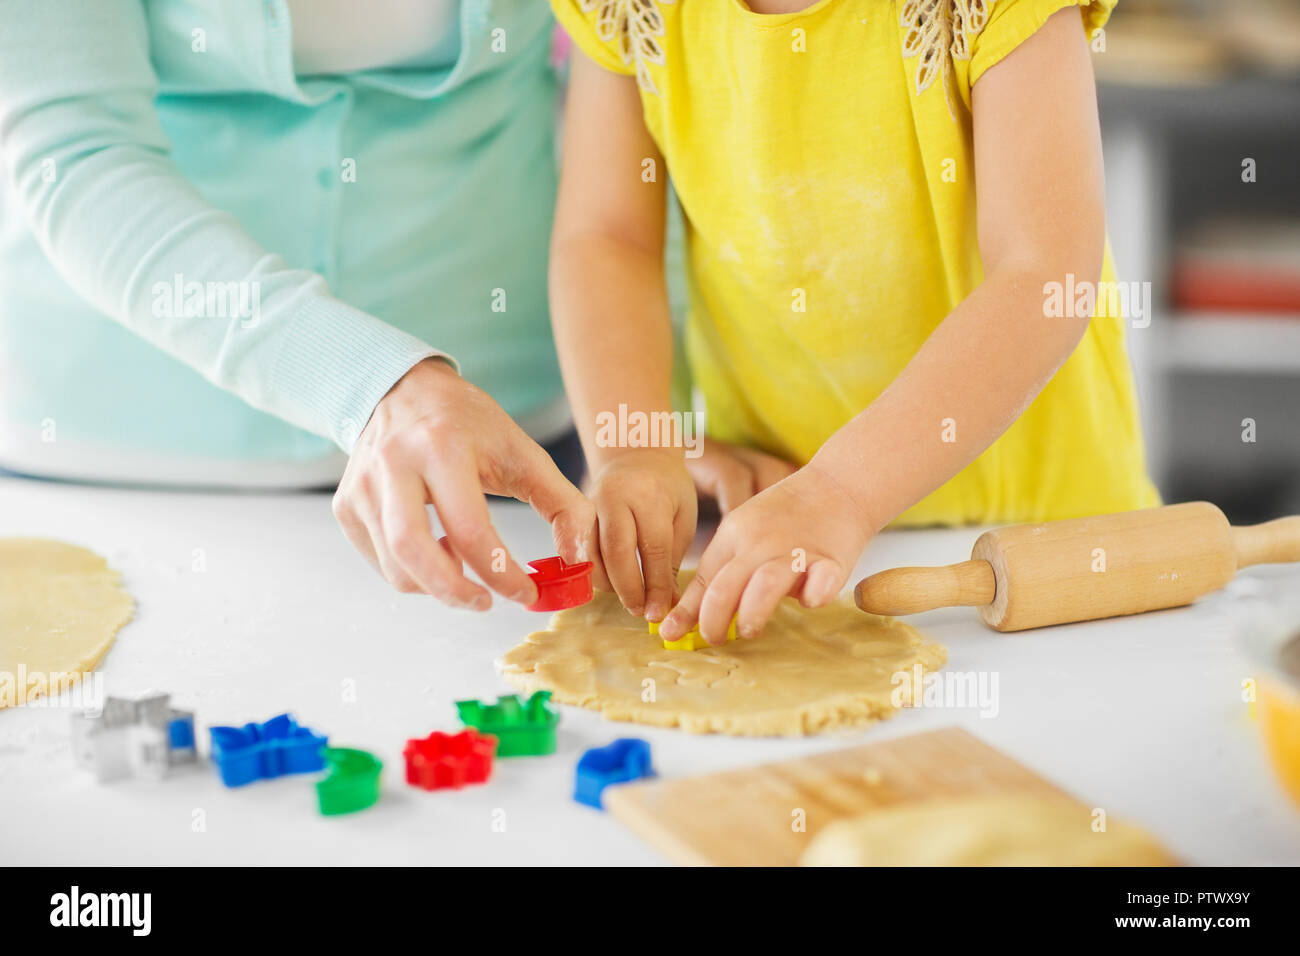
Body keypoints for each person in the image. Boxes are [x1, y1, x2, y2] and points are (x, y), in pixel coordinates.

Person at [548, 0, 1159, 641]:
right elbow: (609, 238)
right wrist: (633, 447)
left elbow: (1044, 275)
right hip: (775, 541)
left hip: (1033, 558)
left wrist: (843, 489)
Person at [0, 0, 592, 609]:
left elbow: (649, 101)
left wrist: (654, 418)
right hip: (113, 460)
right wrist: (370, 382)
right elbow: (77, 153)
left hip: (498, 447)